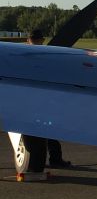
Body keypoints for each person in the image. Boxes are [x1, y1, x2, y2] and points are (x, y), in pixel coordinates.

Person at [27, 29, 72, 168]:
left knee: (43, 130)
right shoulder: (46, 55)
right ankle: (52, 159)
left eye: (35, 40)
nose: (35, 42)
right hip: (39, 100)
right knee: (47, 130)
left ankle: (49, 159)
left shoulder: (23, 54)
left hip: (36, 100)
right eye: (34, 40)